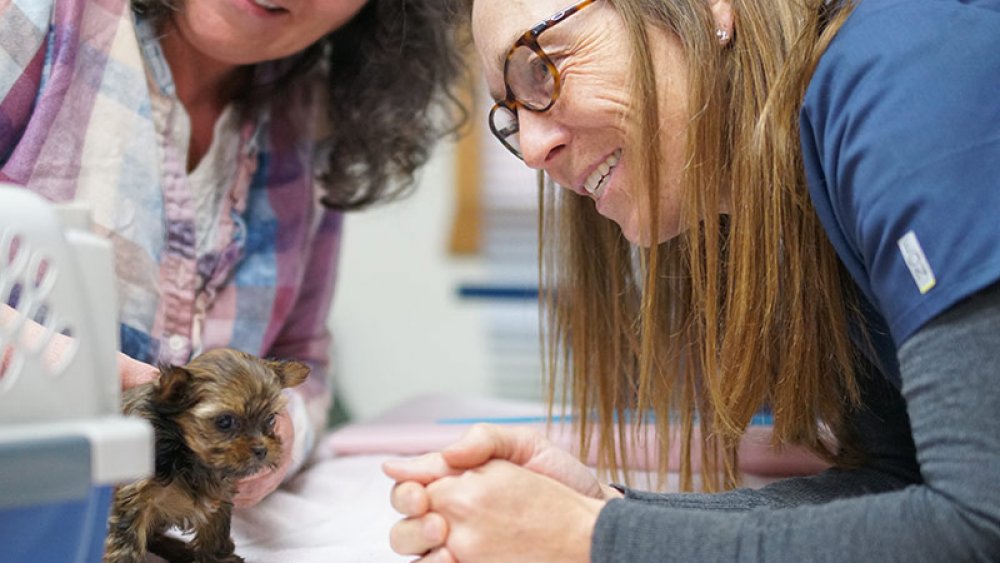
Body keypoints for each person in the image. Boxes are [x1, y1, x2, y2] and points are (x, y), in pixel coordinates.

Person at [383, 0, 1000, 560]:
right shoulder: (800, 176)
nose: (536, 147)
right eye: (511, 116)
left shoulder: (904, 77)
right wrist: (604, 508)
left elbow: (979, 525)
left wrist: (587, 541)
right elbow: (900, 484)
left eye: (540, 68)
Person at [0, 0, 465, 507]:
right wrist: (49, 368)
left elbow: (304, 355)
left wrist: (280, 436)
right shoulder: (32, 18)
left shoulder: (312, 118)